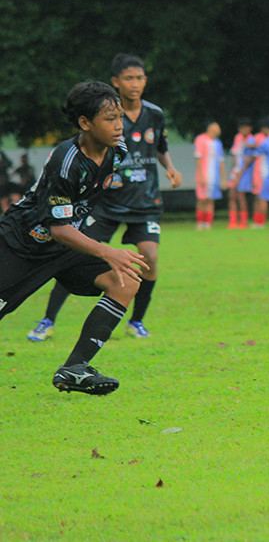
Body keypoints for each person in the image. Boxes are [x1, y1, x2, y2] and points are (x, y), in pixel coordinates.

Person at [1, 81, 147, 394]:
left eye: (120, 117)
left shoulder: (117, 151)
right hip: (22, 244)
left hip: (65, 246)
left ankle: (74, 368)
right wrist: (108, 251)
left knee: (125, 281)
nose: (119, 126)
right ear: (85, 123)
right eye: (110, 119)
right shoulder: (65, 161)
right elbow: (57, 227)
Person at [28, 53, 182, 343]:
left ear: (146, 81)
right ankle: (47, 320)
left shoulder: (155, 114)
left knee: (150, 257)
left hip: (145, 202)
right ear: (116, 82)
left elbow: (160, 147)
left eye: (139, 78)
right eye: (129, 78)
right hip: (106, 203)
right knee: (75, 254)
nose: (135, 84)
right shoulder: (103, 115)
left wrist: (170, 168)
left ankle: (136, 321)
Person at [194, 121, 226, 230]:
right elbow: (198, 159)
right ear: (210, 127)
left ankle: (208, 223)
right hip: (204, 174)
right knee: (202, 199)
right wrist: (201, 176)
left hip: (214, 176)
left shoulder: (218, 143)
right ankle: (200, 222)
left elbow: (221, 161)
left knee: (211, 199)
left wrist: (223, 178)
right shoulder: (201, 139)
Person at [227, 118, 254, 229]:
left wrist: (240, 174)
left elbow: (248, 160)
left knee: (241, 196)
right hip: (236, 170)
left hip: (245, 171)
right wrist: (234, 170)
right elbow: (234, 154)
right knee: (232, 195)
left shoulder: (251, 140)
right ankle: (233, 221)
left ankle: (243, 221)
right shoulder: (238, 138)